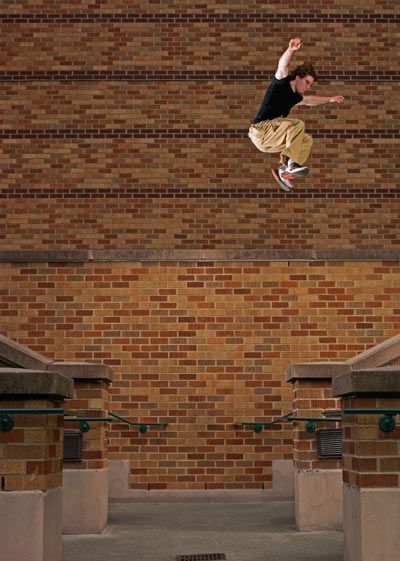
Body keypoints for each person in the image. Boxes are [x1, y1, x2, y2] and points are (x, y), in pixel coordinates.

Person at [248, 38, 345, 191]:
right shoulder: (282, 82)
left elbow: (309, 101)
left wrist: (330, 99)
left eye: (310, 85)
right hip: (260, 130)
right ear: (298, 78)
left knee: (305, 140)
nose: (308, 87)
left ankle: (283, 170)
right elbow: (282, 65)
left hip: (269, 141)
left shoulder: (296, 97)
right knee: (297, 124)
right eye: (307, 82)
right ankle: (291, 164)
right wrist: (291, 50)